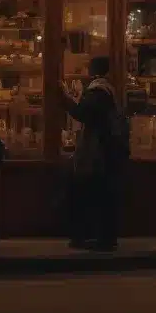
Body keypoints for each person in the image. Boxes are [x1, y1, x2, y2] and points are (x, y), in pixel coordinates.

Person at [56, 56, 127, 252]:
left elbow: (82, 113)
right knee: (99, 193)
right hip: (106, 151)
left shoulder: (98, 91)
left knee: (92, 192)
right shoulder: (108, 90)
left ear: (92, 71)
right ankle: (100, 236)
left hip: (99, 152)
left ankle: (97, 238)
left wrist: (65, 99)